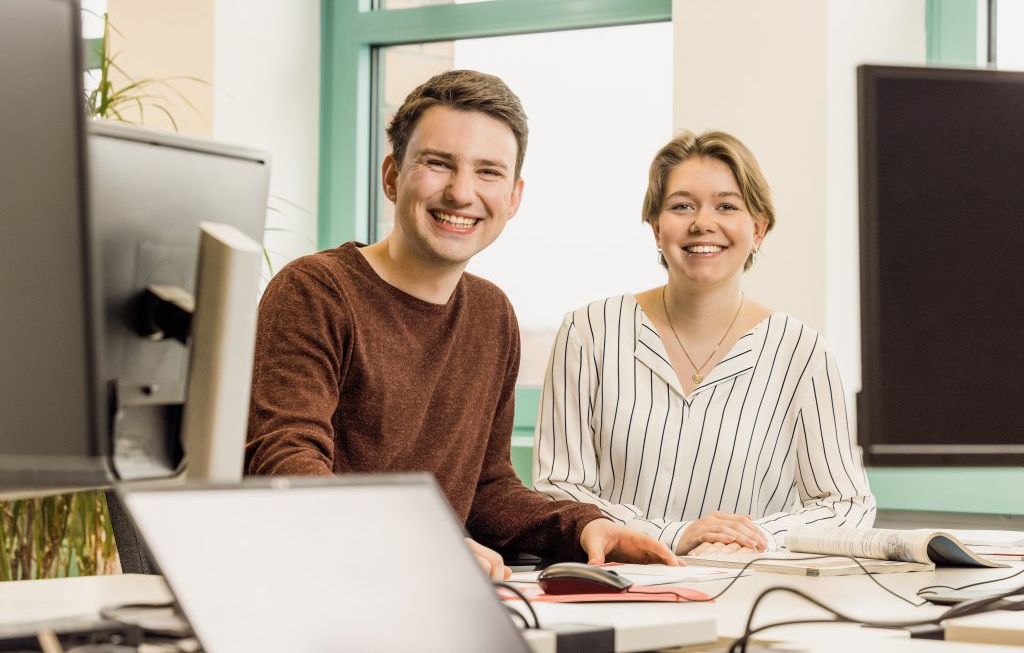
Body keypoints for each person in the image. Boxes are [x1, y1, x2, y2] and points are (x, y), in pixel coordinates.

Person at [245, 69, 677, 577]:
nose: (461, 191)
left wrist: (584, 527)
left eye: (488, 172)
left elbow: (487, 489)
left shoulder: (492, 314)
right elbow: (285, 466)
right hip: (314, 583)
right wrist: (417, 542)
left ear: (513, 198)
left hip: (429, 591)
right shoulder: (315, 291)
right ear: (391, 175)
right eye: (438, 164)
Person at [533, 130, 876, 557]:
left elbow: (846, 504)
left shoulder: (803, 352)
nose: (702, 223)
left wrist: (755, 535)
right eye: (682, 206)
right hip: (617, 582)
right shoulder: (588, 331)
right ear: (657, 228)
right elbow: (558, 491)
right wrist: (676, 534)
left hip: (750, 589)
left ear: (759, 229)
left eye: (727, 206)